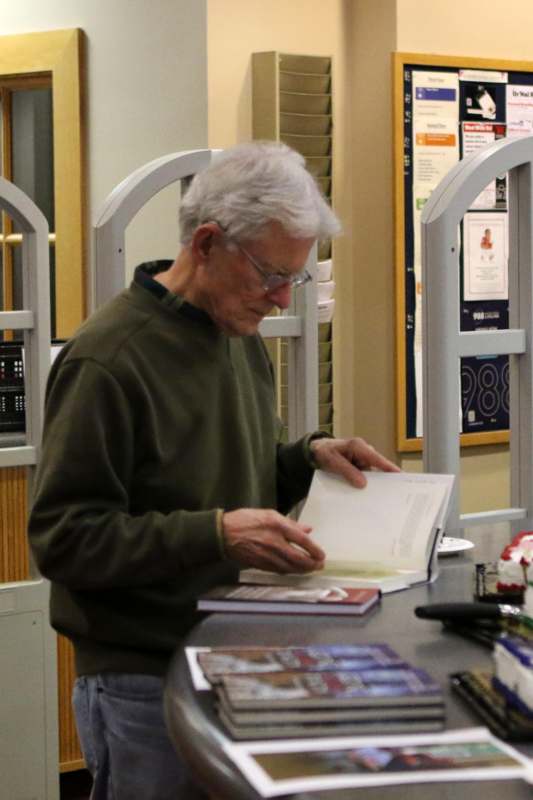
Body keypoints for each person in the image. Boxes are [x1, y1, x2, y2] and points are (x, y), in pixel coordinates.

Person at [28, 141, 399, 800]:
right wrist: (217, 535)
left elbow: (228, 470)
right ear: (206, 243)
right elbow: (64, 538)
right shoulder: (108, 361)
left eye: (295, 278)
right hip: (142, 679)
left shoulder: (234, 335)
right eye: (269, 274)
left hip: (240, 659)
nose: (282, 298)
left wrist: (306, 458)